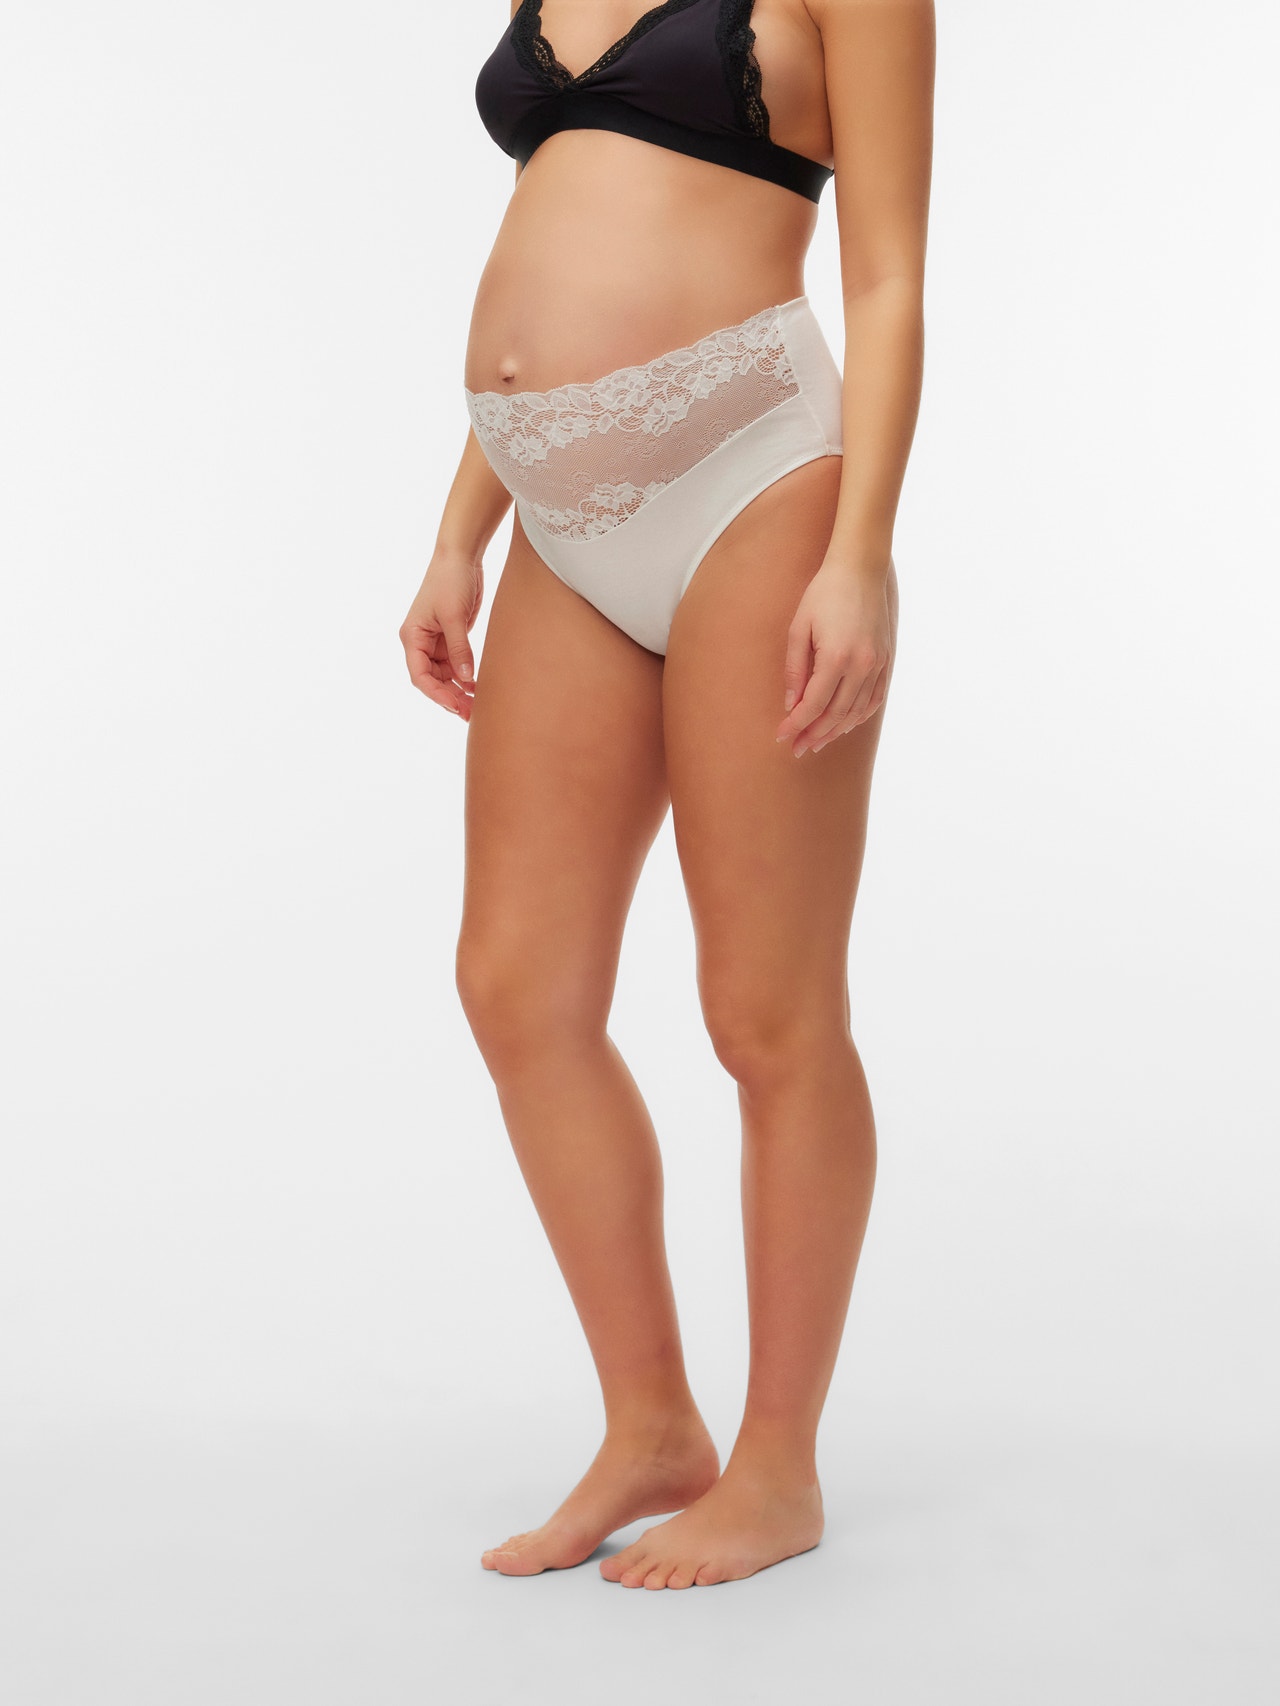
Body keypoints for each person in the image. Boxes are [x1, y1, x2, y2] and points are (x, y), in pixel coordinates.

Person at [399, 0, 934, 1590]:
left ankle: (777, 1467)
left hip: (754, 475)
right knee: (516, 982)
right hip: (556, 507)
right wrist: (459, 533)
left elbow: (889, 275)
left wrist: (862, 554)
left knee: (766, 1011)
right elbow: (553, 229)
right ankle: (651, 1426)